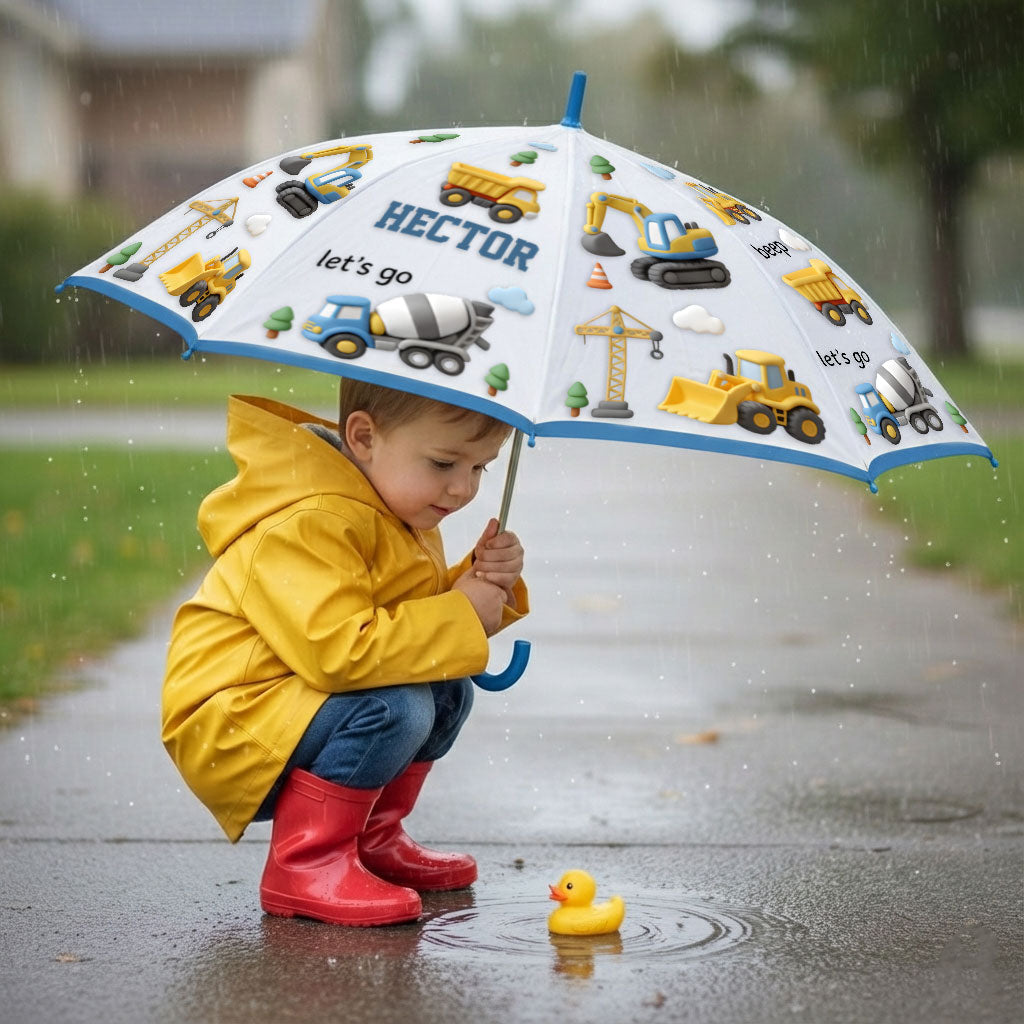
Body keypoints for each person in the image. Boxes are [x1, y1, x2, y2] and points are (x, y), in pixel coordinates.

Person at [161, 379, 527, 927]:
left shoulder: (392, 502)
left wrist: (477, 584)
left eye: (479, 469)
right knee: (396, 706)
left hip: (292, 705)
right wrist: (460, 613)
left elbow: (405, 624)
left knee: (447, 690)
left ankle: (370, 840)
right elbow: (340, 653)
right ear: (363, 437)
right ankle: (305, 864)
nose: (461, 490)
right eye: (444, 463)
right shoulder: (310, 521)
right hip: (235, 723)